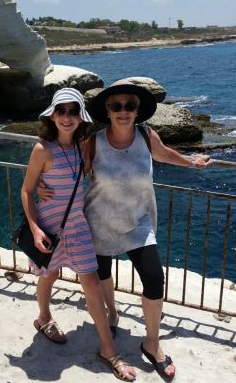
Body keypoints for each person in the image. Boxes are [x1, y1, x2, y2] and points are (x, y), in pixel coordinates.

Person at [38, 80, 212, 379]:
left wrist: (191, 162)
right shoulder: (94, 141)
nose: (123, 111)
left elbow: (166, 153)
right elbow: (68, 167)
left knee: (155, 279)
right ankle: (112, 314)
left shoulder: (146, 135)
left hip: (138, 223)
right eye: (116, 106)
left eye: (129, 105)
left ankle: (152, 342)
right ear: (106, 111)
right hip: (99, 222)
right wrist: (43, 184)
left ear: (137, 110)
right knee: (102, 275)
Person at [21, 87, 136, 382]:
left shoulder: (82, 147)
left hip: (77, 225)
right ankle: (43, 317)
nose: (67, 117)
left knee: (92, 283)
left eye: (73, 111)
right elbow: (27, 190)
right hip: (49, 227)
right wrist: (34, 229)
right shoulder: (41, 150)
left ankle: (108, 351)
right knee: (49, 275)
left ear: (81, 116)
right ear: (53, 115)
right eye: (62, 111)